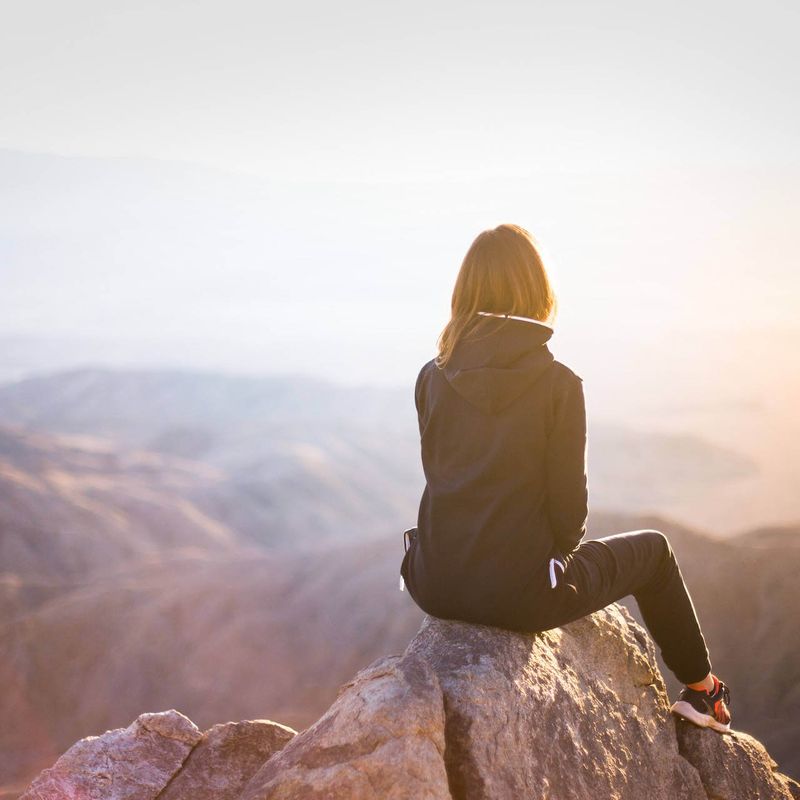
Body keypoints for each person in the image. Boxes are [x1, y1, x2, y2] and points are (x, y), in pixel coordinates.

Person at [399, 223, 732, 734]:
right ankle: (703, 691)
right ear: (537, 290)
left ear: (464, 291)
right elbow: (569, 517)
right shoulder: (558, 385)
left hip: (432, 581)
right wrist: (545, 564)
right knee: (656, 552)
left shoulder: (431, 374)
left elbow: (442, 475)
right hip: (521, 596)